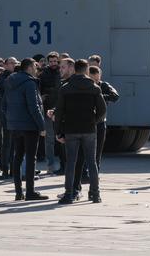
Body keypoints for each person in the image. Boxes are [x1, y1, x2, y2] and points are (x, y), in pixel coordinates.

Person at [54, 59, 107, 204]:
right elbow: (102, 110)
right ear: (87, 70)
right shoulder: (94, 88)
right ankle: (95, 194)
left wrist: (58, 131)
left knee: (71, 163)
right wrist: (94, 121)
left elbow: (59, 112)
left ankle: (69, 194)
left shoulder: (65, 88)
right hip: (89, 129)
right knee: (92, 163)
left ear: (74, 69)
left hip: (71, 129)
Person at [2, 58, 48, 201]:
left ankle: (18, 192)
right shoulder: (29, 83)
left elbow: (4, 105)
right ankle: (30, 192)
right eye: (35, 66)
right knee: (30, 158)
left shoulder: (9, 81)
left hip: (15, 126)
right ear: (29, 67)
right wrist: (42, 126)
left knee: (17, 157)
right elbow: (34, 107)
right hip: (30, 126)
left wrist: (11, 120)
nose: (36, 69)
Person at [88, 65, 117, 170]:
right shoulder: (84, 86)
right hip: (87, 122)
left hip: (100, 121)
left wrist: (99, 97)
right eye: (93, 80)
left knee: (98, 149)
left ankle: (95, 172)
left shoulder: (104, 85)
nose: (96, 83)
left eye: (97, 79)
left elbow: (115, 96)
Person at [39, 52, 62, 174]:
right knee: (49, 139)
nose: (53, 63)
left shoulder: (61, 72)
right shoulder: (43, 74)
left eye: (55, 61)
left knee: (63, 137)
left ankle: (64, 165)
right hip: (47, 109)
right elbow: (39, 89)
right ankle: (50, 165)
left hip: (60, 109)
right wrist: (41, 97)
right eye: (51, 61)